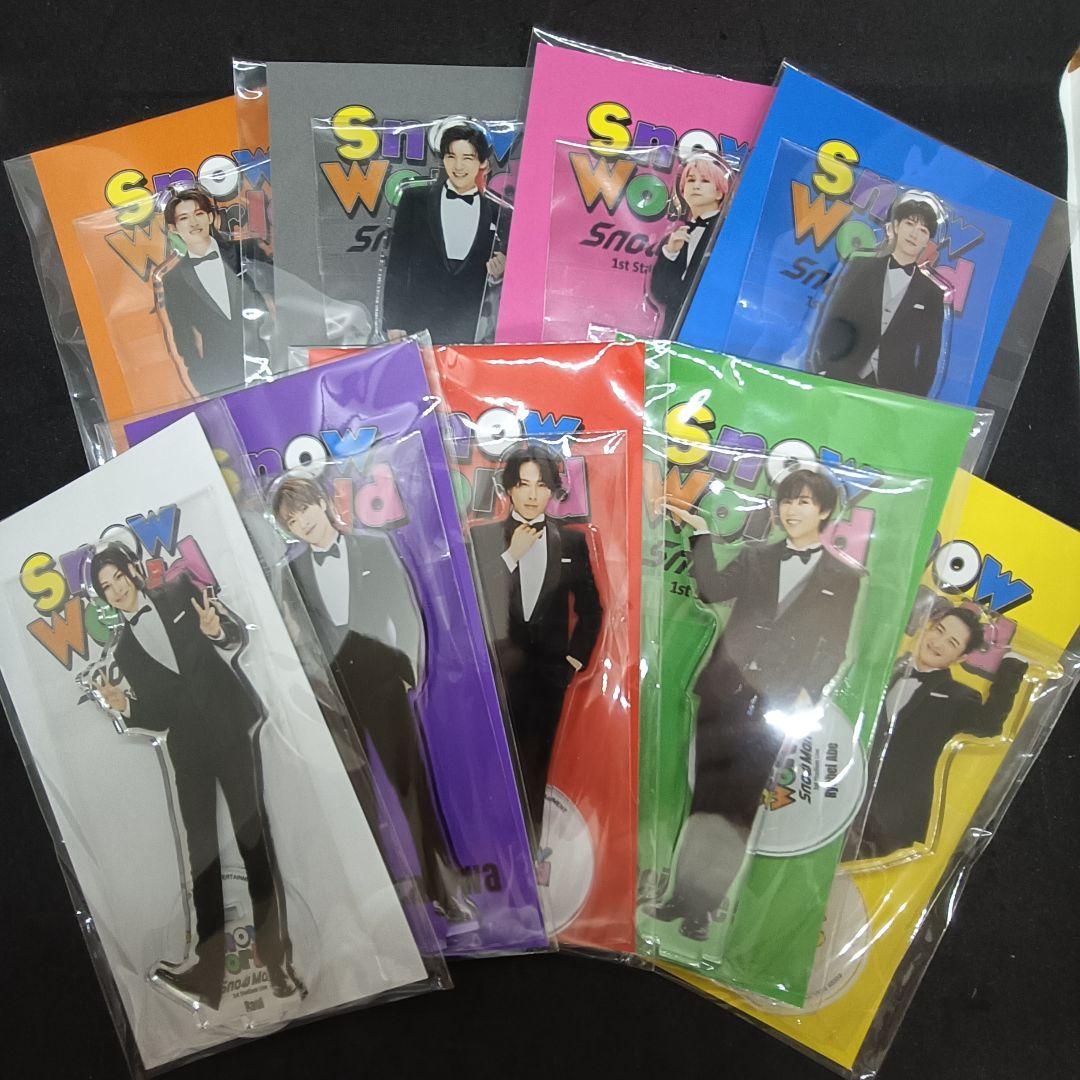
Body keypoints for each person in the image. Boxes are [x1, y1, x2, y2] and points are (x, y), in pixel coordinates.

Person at [643, 467, 862, 942]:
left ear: (825, 511)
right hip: (724, 692)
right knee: (704, 800)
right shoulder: (757, 555)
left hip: (777, 707)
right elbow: (712, 590)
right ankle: (679, 897)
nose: (792, 509)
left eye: (804, 501)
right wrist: (702, 535)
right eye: (787, 500)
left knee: (740, 809)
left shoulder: (843, 577)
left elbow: (833, 647)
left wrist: (806, 693)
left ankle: (703, 911)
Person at [89, 543, 299, 1011]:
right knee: (201, 858)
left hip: (229, 731)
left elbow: (233, 636)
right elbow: (159, 714)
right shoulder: (123, 649)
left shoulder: (180, 591)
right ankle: (209, 976)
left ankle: (277, 964)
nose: (116, 589)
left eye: (118, 577)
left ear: (133, 571)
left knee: (253, 843)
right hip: (188, 755)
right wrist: (126, 707)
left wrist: (216, 630)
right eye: (106, 588)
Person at [271, 475, 476, 925]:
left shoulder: (374, 546)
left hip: (385, 687)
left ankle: (443, 891)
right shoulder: (290, 573)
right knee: (355, 802)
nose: (302, 522)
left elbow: (404, 610)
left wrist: (407, 674)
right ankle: (380, 905)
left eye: (304, 510)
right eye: (291, 520)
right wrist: (313, 692)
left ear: (322, 502)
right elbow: (295, 642)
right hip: (333, 699)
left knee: (412, 788)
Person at [468, 444, 603, 840]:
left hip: (549, 675)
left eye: (541, 485)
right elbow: (468, 599)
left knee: (536, 763)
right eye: (523, 484)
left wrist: (572, 662)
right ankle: (487, 843)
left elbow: (592, 609)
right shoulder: (483, 536)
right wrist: (510, 555)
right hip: (496, 672)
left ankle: (530, 847)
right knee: (490, 761)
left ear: (552, 490)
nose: (531, 495)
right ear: (509, 488)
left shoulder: (572, 543)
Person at [853, 604, 1027, 860]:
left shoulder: (958, 696)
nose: (938, 642)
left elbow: (990, 725)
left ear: (961, 657)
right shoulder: (887, 668)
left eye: (952, 642)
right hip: (840, 789)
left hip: (887, 821)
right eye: (939, 630)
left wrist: (1013, 668)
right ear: (928, 627)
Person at [381, 122, 509, 344]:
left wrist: (499, 274)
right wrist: (393, 321)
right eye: (451, 156)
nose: (458, 166)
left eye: (467, 158)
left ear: (482, 163)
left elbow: (511, 274)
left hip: (471, 328)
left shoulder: (499, 213)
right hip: (417, 322)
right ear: (443, 159)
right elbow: (398, 264)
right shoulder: (415, 201)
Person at [811, 191, 948, 396]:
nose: (914, 234)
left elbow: (930, 353)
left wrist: (916, 396)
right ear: (896, 226)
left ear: (927, 241)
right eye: (909, 224)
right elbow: (834, 316)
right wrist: (824, 364)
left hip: (895, 389)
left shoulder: (932, 293)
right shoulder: (861, 267)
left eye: (923, 230)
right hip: (841, 372)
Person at [157, 186, 270, 397]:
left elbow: (282, 294)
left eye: (198, 213)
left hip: (273, 359)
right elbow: (182, 335)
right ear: (173, 228)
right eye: (184, 218)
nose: (193, 222)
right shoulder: (173, 280)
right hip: (220, 377)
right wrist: (200, 377)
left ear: (210, 217)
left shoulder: (246, 250)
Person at [649, 154, 732, 336]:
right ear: (683, 189)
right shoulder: (677, 236)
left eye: (705, 181)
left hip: (709, 330)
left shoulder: (727, 234)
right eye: (691, 180)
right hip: (670, 333)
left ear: (719, 192)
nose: (696, 186)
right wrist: (670, 252)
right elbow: (660, 293)